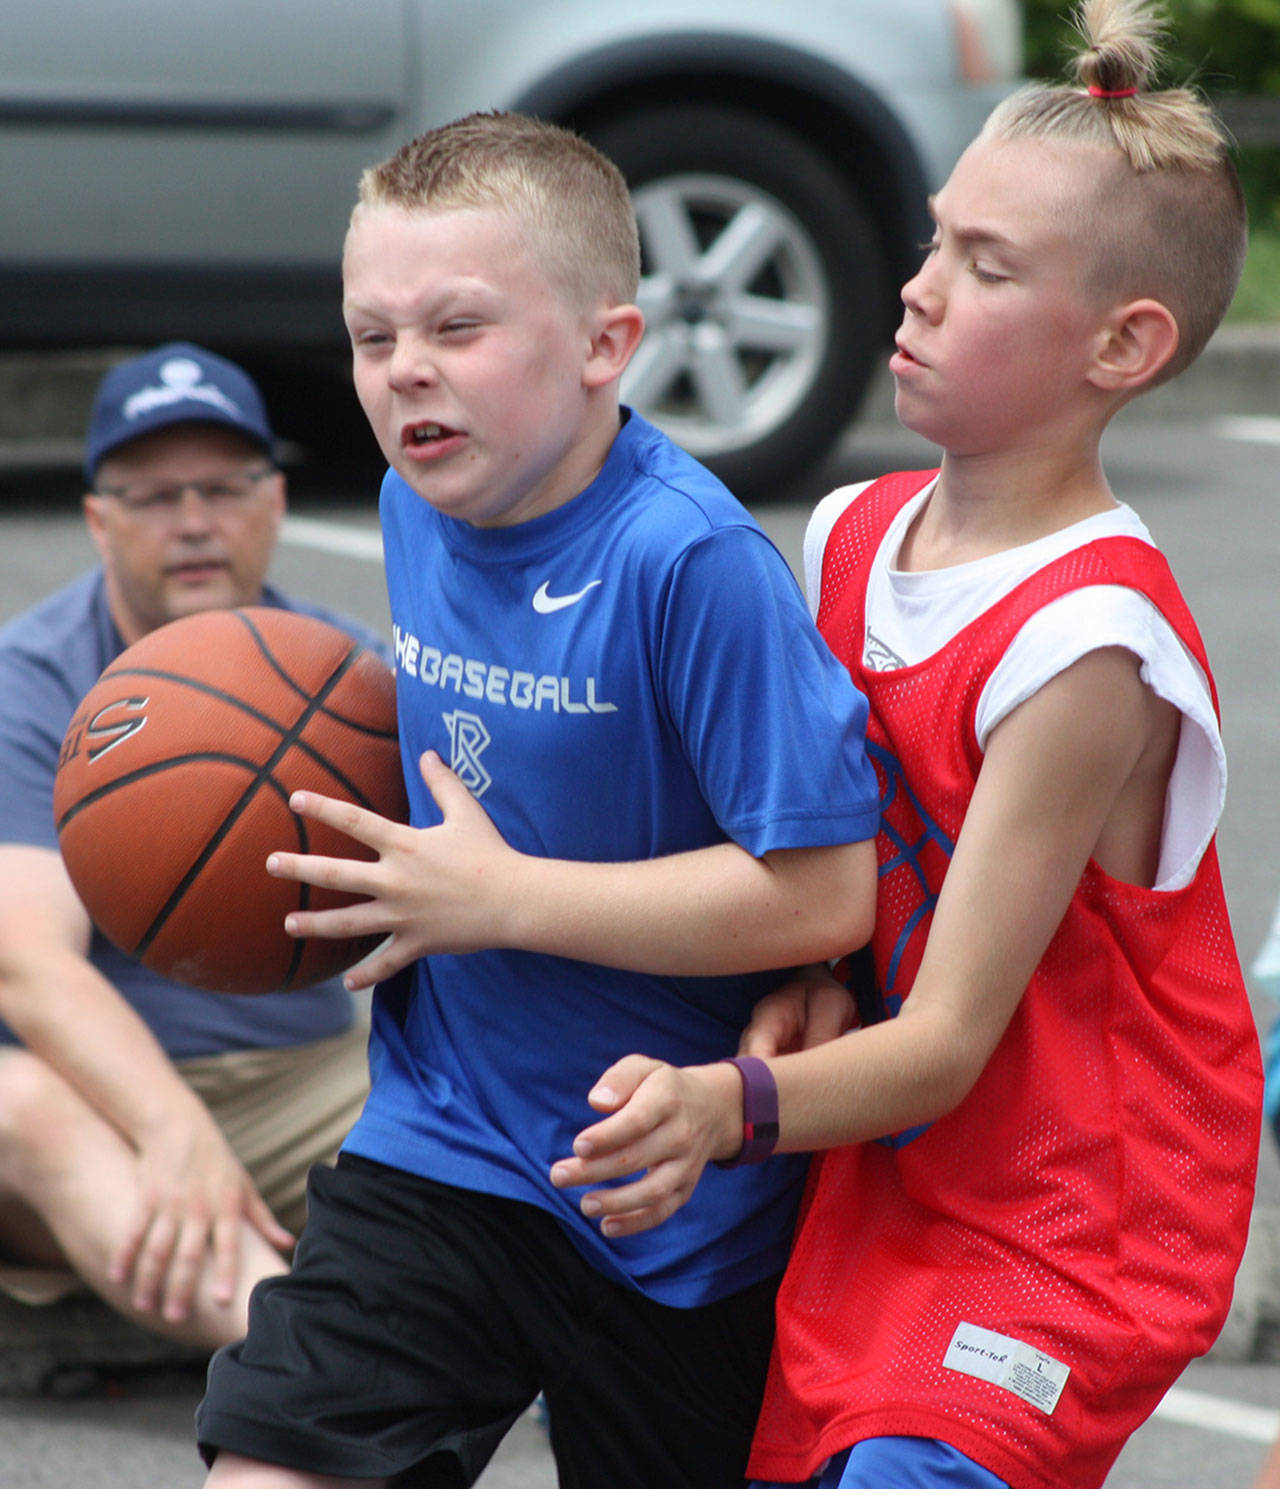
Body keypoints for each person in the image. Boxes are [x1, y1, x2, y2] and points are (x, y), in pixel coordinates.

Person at [549, 2, 1265, 1486]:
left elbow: (943, 1045)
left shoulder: (1091, 645)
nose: (918, 289)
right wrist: (809, 972)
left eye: (985, 267)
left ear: (1123, 345)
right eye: (939, 240)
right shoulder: (851, 534)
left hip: (1071, 1207)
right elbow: (830, 854)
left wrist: (718, 1105)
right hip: (881, 1149)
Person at [193, 112, 880, 1488]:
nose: (405, 375)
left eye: (458, 327)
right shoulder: (412, 499)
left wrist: (498, 898)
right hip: (443, 1136)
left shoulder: (690, 563)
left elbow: (823, 890)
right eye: (372, 336)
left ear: (605, 345)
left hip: (669, 1191)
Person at [0, 343, 384, 1353]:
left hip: (300, 1080)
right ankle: (309, 1381)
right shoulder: (33, 681)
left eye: (223, 486)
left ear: (275, 500)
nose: (194, 521)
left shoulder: (343, 681)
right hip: (90, 1097)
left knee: (501, 1086)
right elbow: (25, 963)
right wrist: (175, 1128)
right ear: (97, 518)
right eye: (155, 494)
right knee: (15, 1105)